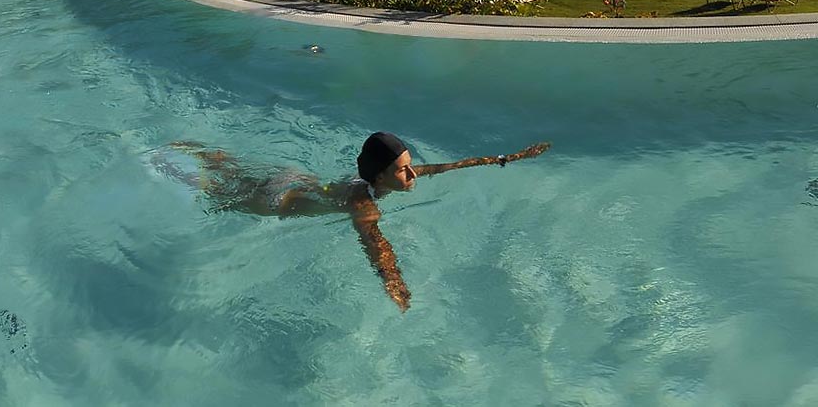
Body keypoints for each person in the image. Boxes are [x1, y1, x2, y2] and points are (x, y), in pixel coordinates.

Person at [171, 132, 550, 311]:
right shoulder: (363, 204)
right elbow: (375, 244)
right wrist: (396, 284)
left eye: (410, 166)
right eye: (403, 171)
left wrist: (506, 158)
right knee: (217, 194)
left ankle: (207, 153)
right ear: (381, 177)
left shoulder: (379, 180)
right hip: (279, 201)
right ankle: (177, 166)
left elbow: (448, 167)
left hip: (296, 178)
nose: (414, 175)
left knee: (234, 172)